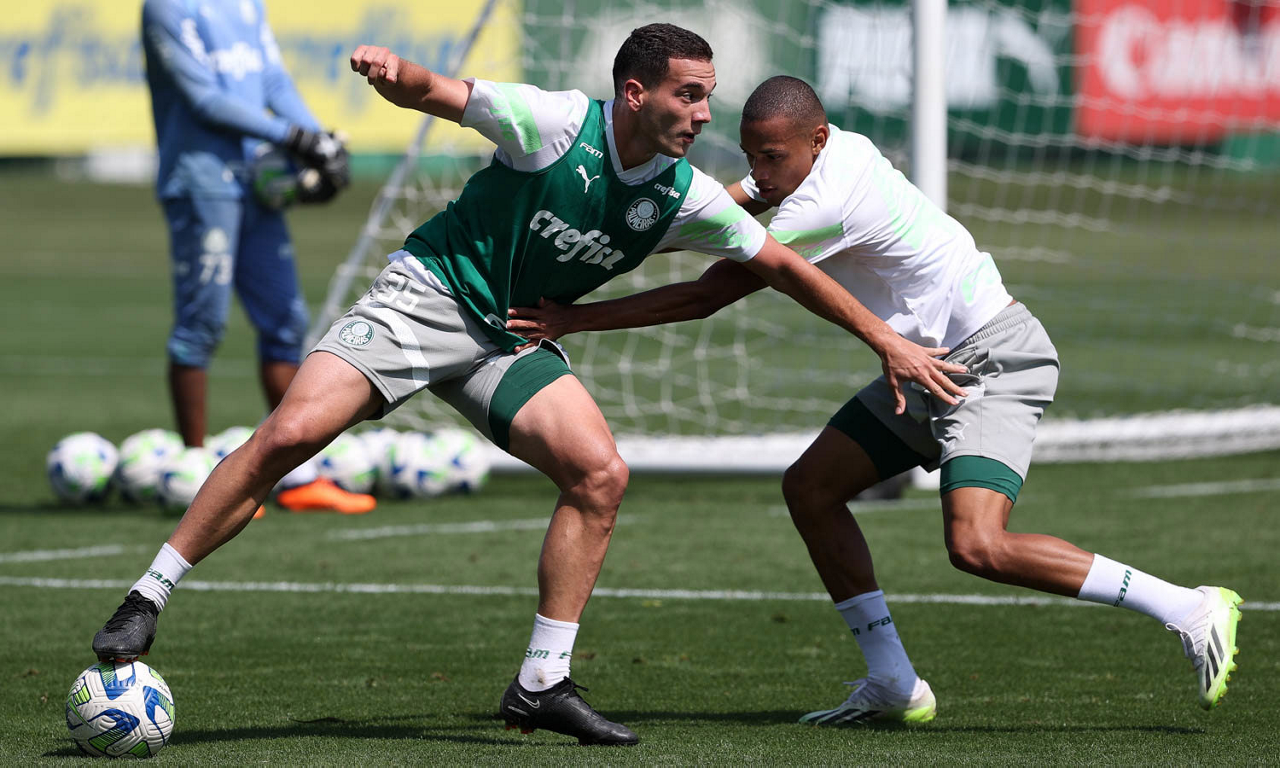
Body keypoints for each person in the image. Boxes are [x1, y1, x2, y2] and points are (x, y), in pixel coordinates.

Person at [93, 26, 969, 746]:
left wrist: (885, 338)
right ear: (636, 94)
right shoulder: (553, 124)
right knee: (290, 436)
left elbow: (781, 266)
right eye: (689, 95)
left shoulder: (684, 194)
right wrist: (398, 75)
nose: (705, 114)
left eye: (709, 96)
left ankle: (542, 682)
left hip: (508, 336)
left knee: (600, 474)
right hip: (427, 299)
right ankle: (146, 598)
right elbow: (446, 94)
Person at [506, 75, 1244, 723]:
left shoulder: (823, 202)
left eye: (772, 157)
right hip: (925, 367)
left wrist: (576, 314)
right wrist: (643, 215)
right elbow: (729, 208)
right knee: (811, 488)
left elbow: (705, 295)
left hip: (992, 360)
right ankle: (893, 681)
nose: (760, 172)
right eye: (752, 155)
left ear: (816, 140)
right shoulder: (833, 154)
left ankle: (1187, 607)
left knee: (977, 546)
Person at [140, 0, 374, 515]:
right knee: (202, 325)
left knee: (286, 321)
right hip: (203, 181)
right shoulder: (166, 7)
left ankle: (297, 475)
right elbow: (203, 98)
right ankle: (194, 472)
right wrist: (294, 137)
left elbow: (272, 80)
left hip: (258, 182)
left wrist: (320, 139)